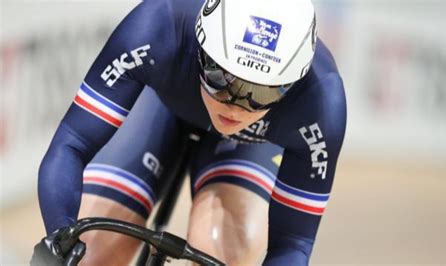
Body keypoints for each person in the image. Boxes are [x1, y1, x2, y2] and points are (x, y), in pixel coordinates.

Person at [31, 0, 347, 265]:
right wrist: (61, 236)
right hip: (160, 100)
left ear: (293, 84)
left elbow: (292, 242)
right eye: (221, 78)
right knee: (94, 253)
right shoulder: (158, 26)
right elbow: (72, 145)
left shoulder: (322, 100)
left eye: (261, 93)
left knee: (220, 247)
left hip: (247, 139)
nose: (235, 108)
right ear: (200, 43)